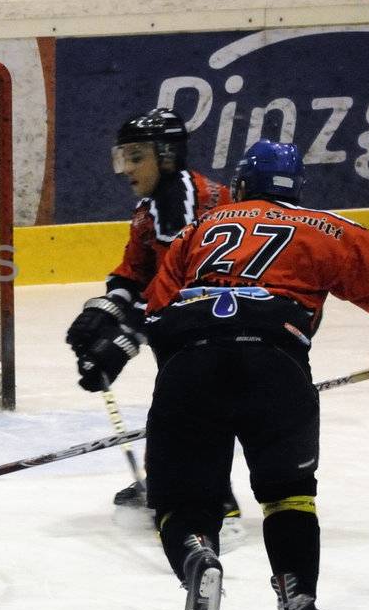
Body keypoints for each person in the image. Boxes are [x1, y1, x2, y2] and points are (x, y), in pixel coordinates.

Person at [70, 140, 369, 610]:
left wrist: (114, 353)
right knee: (288, 495)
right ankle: (300, 607)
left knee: (180, 501)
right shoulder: (328, 228)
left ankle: (198, 551)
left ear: (240, 186)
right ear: (297, 189)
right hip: (277, 367)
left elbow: (152, 312)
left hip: (192, 362)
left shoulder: (201, 229)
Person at [64, 108, 245, 535]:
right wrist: (104, 313)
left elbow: (188, 296)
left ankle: (216, 499)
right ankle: (174, 486)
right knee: (175, 401)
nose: (126, 168)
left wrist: (125, 338)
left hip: (229, 320)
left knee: (193, 399)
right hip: (200, 322)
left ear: (166, 155)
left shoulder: (189, 203)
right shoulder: (154, 206)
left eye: (136, 156)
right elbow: (137, 273)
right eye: (123, 156)